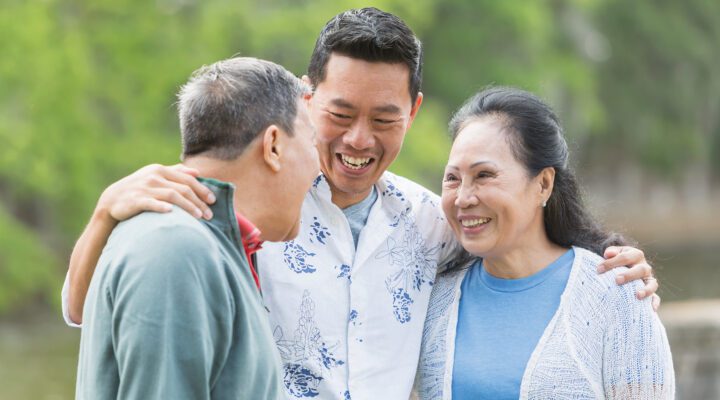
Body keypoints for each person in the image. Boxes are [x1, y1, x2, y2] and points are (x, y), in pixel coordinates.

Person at [63, 8, 659, 400]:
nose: (358, 141)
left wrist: (607, 262)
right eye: (340, 115)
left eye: (384, 119)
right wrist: (104, 215)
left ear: (414, 113)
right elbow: (94, 311)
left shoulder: (433, 221)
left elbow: (513, 233)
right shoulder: (251, 206)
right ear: (306, 97)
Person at [75, 57, 319, 399]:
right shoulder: (176, 249)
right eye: (312, 142)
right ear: (273, 146)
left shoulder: (207, 244)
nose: (317, 167)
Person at [416, 87, 674, 399]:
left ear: (543, 184)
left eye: (484, 175)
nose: (464, 197)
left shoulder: (614, 296)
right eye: (452, 178)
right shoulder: (431, 296)